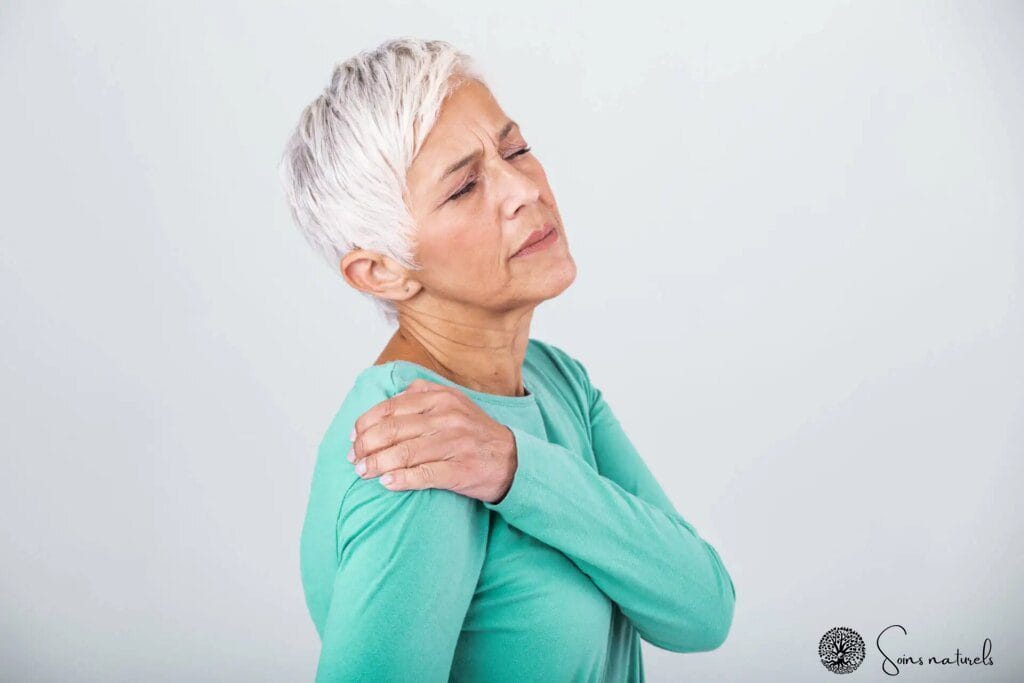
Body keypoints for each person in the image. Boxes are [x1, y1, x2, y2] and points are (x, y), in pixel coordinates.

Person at [278, 36, 736, 682]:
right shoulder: (413, 446)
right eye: (464, 187)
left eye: (515, 148)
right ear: (382, 270)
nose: (523, 188)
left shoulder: (555, 380)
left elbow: (702, 609)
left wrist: (515, 467)